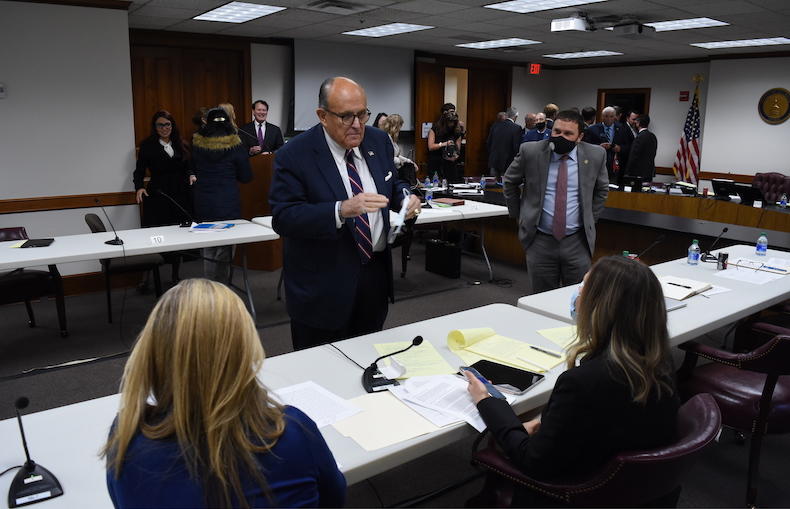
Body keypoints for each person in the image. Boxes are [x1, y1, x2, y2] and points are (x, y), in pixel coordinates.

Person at [103, 279, 346, 509]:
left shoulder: (126, 436)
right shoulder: (293, 432)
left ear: (152, 352)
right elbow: (334, 499)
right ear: (245, 350)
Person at [466, 255, 679, 506]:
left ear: (599, 306)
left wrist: (487, 401)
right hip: (638, 490)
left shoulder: (583, 382)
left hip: (578, 494)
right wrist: (544, 422)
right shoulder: (660, 362)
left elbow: (534, 461)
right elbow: (603, 418)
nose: (576, 299)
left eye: (582, 290)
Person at [269, 77, 420, 350]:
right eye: (346, 116)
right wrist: (341, 210)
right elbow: (284, 217)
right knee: (321, 373)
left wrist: (406, 197)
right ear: (322, 116)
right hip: (322, 285)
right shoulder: (295, 154)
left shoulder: (378, 140)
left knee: (367, 360)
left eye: (362, 114)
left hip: (374, 276)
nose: (357, 125)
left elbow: (393, 182)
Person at [503, 109, 608, 294]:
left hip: (577, 241)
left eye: (568, 134)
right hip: (540, 240)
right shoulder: (531, 151)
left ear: (580, 136)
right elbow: (510, 181)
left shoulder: (596, 155)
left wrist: (591, 218)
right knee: (541, 298)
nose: (560, 137)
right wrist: (519, 215)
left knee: (578, 298)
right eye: (557, 132)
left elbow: (602, 189)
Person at [191, 107, 252, 283]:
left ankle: (209, 290)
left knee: (208, 249)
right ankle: (222, 291)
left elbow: (192, 167)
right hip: (227, 202)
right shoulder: (235, 144)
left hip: (204, 202)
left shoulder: (197, 143)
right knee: (225, 249)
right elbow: (246, 176)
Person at [133, 110, 195, 282]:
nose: (164, 128)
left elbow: (188, 166)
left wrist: (191, 174)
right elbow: (139, 171)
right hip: (158, 195)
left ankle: (175, 275)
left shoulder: (181, 144)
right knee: (154, 236)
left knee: (177, 235)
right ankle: (147, 277)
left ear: (172, 125)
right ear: (155, 127)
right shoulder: (147, 145)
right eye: (160, 125)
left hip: (179, 194)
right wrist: (139, 188)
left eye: (167, 124)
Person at [588, 106, 632, 185]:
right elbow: (586, 147)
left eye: (611, 116)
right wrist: (598, 147)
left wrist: (620, 148)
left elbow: (630, 147)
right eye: (606, 116)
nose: (608, 119)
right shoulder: (593, 129)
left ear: (615, 117)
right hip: (597, 166)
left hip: (616, 167)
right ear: (602, 117)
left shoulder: (623, 128)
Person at [427, 103, 464, 183]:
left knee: (452, 185)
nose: (451, 125)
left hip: (450, 163)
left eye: (453, 123)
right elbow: (430, 147)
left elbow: (458, 150)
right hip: (436, 161)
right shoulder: (434, 129)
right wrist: (444, 144)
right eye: (450, 123)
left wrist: (454, 156)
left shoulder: (456, 132)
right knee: (436, 185)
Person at [381, 113, 418, 185]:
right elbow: (388, 157)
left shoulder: (391, 138)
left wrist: (409, 161)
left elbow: (396, 155)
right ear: (396, 126)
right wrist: (402, 162)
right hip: (389, 172)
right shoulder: (386, 138)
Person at [486, 106, 523, 178]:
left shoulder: (495, 126)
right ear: (515, 116)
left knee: (493, 186)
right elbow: (516, 147)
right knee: (505, 186)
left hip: (494, 161)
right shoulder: (517, 128)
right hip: (507, 163)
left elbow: (488, 143)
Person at [625, 115, 658, 180]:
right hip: (649, 172)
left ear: (638, 123)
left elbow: (634, 156)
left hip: (638, 173)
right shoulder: (653, 136)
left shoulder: (639, 137)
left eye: (636, 121)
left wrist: (627, 171)